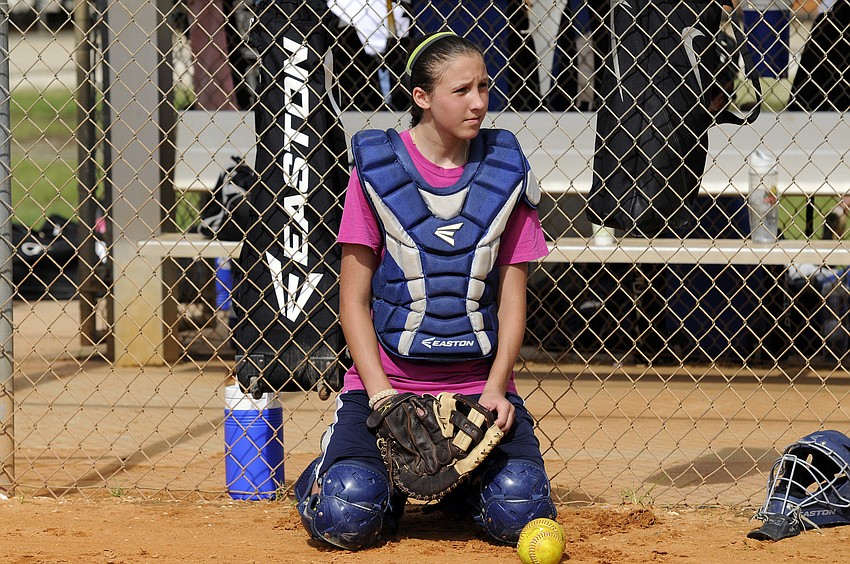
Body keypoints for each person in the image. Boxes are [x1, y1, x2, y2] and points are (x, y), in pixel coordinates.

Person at [294, 31, 557, 551]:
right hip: (388, 385)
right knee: (347, 511)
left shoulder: (505, 167)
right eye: (461, 90)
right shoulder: (377, 168)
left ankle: (462, 491)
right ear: (421, 97)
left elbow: (511, 297)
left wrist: (496, 389)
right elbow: (354, 300)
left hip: (476, 390)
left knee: (518, 507)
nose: (479, 102)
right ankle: (339, 482)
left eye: (484, 86)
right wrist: (382, 396)